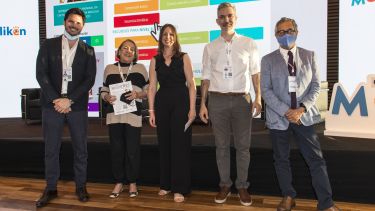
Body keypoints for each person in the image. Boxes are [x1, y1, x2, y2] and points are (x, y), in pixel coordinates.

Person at [260, 17, 340, 211]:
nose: (285, 35)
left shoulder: (309, 55)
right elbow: (266, 90)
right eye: (280, 32)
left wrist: (301, 109)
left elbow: (315, 87)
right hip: (279, 119)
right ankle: (288, 196)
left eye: (289, 30)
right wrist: (287, 111)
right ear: (275, 35)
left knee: (316, 160)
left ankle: (326, 203)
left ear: (296, 31)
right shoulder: (267, 60)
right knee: (281, 160)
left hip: (305, 117)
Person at [199, 2, 261, 207]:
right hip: (217, 100)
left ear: (236, 17)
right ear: (217, 21)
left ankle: (242, 185)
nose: (226, 20)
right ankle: (225, 184)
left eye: (230, 16)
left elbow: (255, 73)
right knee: (222, 147)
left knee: (243, 147)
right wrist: (203, 104)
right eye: (222, 17)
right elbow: (205, 78)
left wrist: (258, 97)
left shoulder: (249, 43)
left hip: (243, 100)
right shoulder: (210, 47)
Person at [35, 8, 96, 208]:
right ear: (64, 22)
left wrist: (69, 100)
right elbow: (41, 74)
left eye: (78, 23)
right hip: (51, 106)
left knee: (81, 150)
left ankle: (81, 186)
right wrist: (56, 99)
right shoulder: (48, 45)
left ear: (82, 26)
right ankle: (51, 188)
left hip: (77, 107)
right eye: (71, 21)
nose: (74, 25)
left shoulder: (88, 50)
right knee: (51, 149)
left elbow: (89, 80)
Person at [148, 23, 196, 203]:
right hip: (161, 104)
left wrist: (192, 110)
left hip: (181, 103)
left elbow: (191, 85)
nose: (168, 37)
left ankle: (179, 188)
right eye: (165, 34)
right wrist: (151, 111)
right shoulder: (154, 60)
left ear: (175, 37)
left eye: (171, 34)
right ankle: (166, 185)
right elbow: (152, 87)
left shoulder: (184, 57)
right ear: (160, 37)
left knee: (180, 145)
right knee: (165, 144)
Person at [100, 39, 149, 198]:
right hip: (114, 116)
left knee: (132, 150)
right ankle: (119, 182)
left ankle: (133, 182)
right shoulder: (109, 68)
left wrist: (138, 94)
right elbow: (103, 90)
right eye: (125, 48)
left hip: (133, 116)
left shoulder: (141, 68)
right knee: (117, 150)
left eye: (132, 49)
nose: (129, 51)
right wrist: (106, 97)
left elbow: (148, 90)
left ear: (135, 54)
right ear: (119, 52)